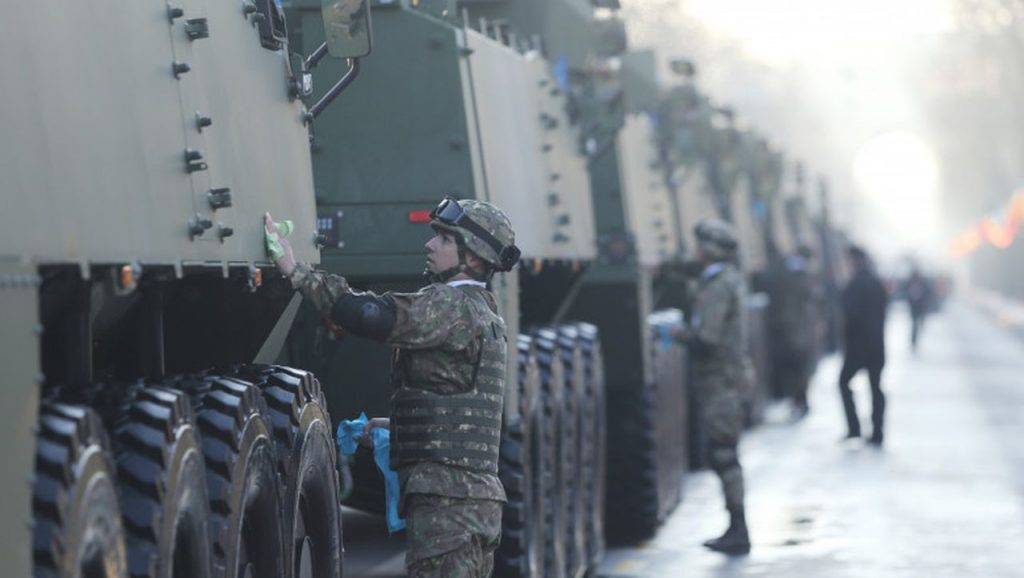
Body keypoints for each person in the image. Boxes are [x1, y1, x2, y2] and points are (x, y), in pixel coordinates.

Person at [264, 197, 520, 577]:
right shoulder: (483, 309)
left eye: (444, 239)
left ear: (473, 257)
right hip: (470, 500)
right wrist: (397, 429)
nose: (429, 245)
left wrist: (296, 272)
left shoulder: (451, 305)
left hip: (448, 504)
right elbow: (460, 408)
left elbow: (371, 315)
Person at [682, 219, 752, 555]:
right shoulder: (727, 280)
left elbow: (707, 338)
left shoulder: (718, 285)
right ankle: (736, 527)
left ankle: (738, 530)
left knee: (724, 455)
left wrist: (679, 334)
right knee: (724, 453)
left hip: (720, 381)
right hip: (726, 379)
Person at [838, 245, 889, 446]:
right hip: (876, 345)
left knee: (843, 383)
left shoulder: (855, 284)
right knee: (875, 387)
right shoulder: (876, 283)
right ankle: (877, 431)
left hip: (858, 347)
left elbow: (850, 314)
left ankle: (854, 428)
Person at [768, 245, 820, 419]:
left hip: (791, 330)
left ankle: (798, 401)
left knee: (795, 370)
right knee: (799, 369)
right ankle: (800, 401)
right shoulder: (801, 275)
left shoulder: (788, 273)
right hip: (797, 330)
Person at [904, 265, 934, 352]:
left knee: (917, 323)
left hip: (920, 306)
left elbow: (927, 292)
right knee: (914, 324)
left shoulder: (922, 282)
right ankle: (913, 341)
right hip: (914, 306)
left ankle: (915, 339)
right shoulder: (911, 282)